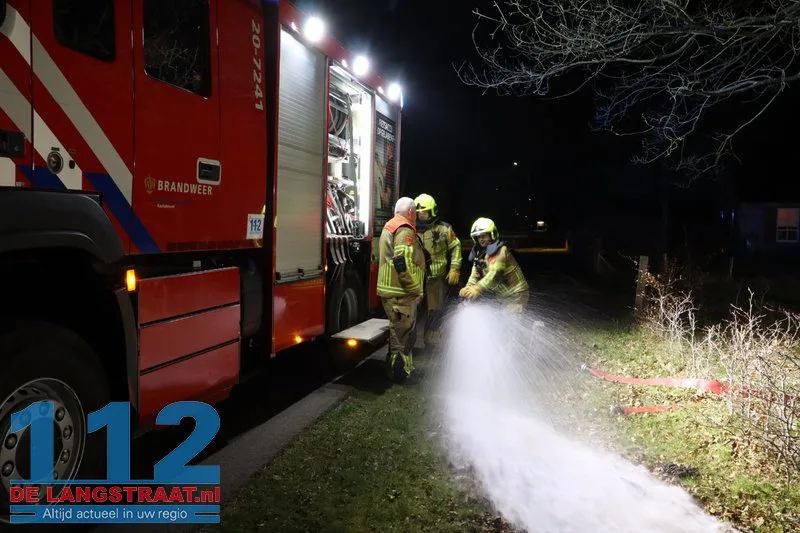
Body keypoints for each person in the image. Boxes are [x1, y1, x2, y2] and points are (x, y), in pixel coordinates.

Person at [377, 197, 427, 381]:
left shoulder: (391, 225)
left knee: (397, 331)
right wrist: (414, 287)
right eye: (416, 213)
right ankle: (401, 373)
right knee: (403, 333)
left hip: (393, 290)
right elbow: (401, 261)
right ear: (411, 212)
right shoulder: (404, 229)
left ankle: (397, 370)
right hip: (400, 292)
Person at [414, 193, 462, 348]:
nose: (421, 214)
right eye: (418, 212)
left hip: (437, 279)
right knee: (411, 312)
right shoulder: (410, 229)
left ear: (432, 211)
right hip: (415, 279)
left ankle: (432, 344)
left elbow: (455, 247)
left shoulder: (444, 228)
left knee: (435, 311)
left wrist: (454, 268)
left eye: (424, 211)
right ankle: (407, 346)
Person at [459, 217, 529, 313]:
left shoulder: (501, 250)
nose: (481, 239)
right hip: (502, 296)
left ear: (492, 234)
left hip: (516, 295)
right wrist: (468, 288)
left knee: (511, 322)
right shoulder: (480, 253)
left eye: (484, 236)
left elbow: (494, 273)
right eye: (478, 237)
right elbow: (475, 273)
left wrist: (477, 288)